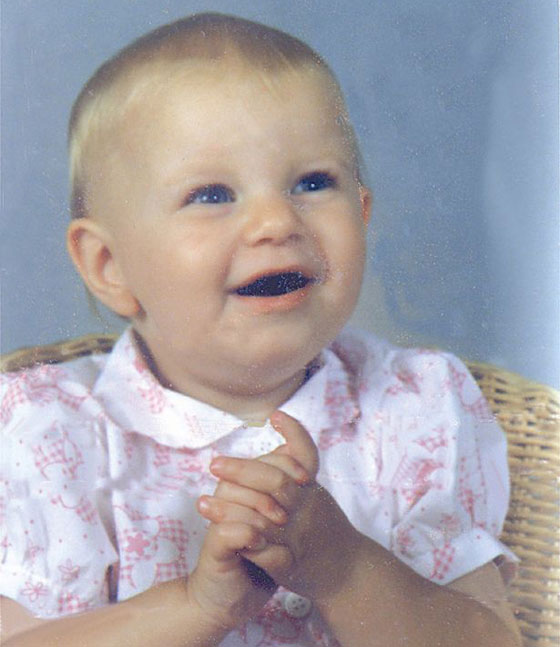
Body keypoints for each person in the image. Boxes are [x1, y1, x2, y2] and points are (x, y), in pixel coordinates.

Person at [0, 13, 520, 646]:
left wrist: (344, 567)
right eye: (212, 195)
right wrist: (197, 606)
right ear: (111, 266)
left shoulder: (413, 410)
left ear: (361, 214)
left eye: (313, 182)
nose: (276, 221)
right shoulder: (54, 432)